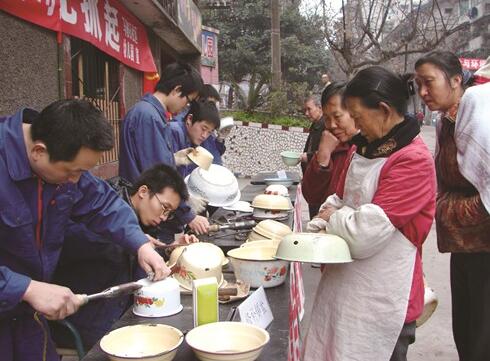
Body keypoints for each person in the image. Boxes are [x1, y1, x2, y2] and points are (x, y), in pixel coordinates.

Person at [0, 99, 168, 361]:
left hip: (25, 319)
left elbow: (102, 202)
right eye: (73, 172)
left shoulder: (60, 160)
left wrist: (140, 244)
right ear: (38, 151)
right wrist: (25, 288)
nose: (76, 180)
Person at [302, 66, 436, 361]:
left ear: (384, 110)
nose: (356, 126)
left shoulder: (412, 160)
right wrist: (336, 215)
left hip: (382, 298)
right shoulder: (365, 148)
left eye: (357, 116)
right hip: (344, 289)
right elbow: (339, 200)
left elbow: (364, 235)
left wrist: (331, 218)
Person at [50, 164, 197, 349]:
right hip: (88, 318)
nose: (163, 217)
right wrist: (132, 244)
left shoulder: (141, 220)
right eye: (164, 208)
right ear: (143, 191)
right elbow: (74, 241)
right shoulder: (102, 209)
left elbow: (141, 257)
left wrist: (171, 248)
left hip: (124, 312)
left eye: (169, 213)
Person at [415, 51, 490, 361]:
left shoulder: (478, 115)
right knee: (466, 330)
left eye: (429, 83)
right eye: (418, 84)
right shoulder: (446, 120)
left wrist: (442, 209)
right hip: (464, 244)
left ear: (457, 80)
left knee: (481, 338)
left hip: (484, 246)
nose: (422, 92)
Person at [119, 62, 209, 239]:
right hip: (143, 210)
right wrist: (188, 215)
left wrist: (173, 158)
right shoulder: (148, 116)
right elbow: (159, 176)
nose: (185, 106)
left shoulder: (152, 114)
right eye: (187, 100)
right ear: (176, 90)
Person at [302, 83, 358, 220]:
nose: (332, 125)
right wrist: (323, 157)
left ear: (356, 113)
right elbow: (310, 195)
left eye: (337, 117)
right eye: (327, 118)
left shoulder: (366, 150)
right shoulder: (332, 145)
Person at [168, 99, 221, 178]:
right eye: (203, 129)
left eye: (209, 132)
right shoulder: (173, 131)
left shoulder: (197, 140)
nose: (204, 135)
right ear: (189, 119)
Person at [301, 95, 326, 218]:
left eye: (309, 109)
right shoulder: (315, 125)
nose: (306, 113)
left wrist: (308, 157)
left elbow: (325, 153)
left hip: (319, 181)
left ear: (320, 108)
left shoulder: (324, 126)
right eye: (305, 110)